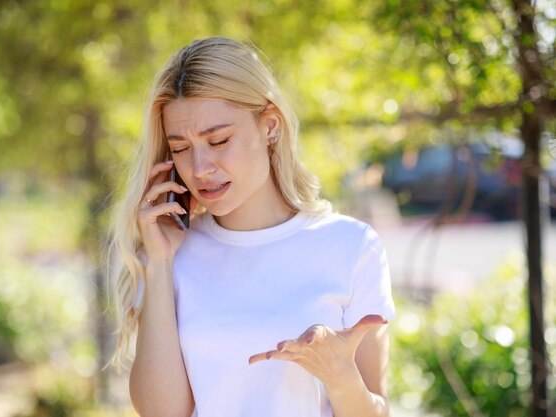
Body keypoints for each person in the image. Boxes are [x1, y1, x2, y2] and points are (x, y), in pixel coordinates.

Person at [107, 36, 396, 417]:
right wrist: (158, 263)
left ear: (270, 126)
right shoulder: (168, 253)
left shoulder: (351, 246)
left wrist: (341, 378)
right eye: (180, 148)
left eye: (218, 140)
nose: (199, 167)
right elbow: (162, 413)